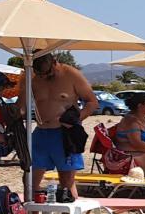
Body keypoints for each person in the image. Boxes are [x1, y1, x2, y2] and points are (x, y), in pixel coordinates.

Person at [25, 53, 96, 204]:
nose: (45, 77)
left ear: (54, 62)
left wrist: (76, 119)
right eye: (41, 74)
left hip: (64, 134)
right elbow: (21, 105)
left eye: (48, 73)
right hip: (41, 132)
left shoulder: (71, 74)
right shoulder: (30, 77)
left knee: (66, 182)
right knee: (30, 179)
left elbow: (92, 102)